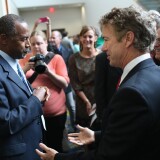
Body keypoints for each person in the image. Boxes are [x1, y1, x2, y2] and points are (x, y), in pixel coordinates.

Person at [36, 6, 160, 160]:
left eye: (107, 39)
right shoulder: (155, 72)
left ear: (128, 38)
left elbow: (106, 156)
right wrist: (96, 135)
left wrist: (58, 157)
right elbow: (134, 131)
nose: (103, 47)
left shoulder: (132, 93)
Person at [0, 14, 50, 160]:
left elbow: (16, 99)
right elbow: (5, 123)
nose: (28, 44)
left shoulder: (14, 62)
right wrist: (35, 99)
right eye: (23, 39)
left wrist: (35, 94)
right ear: (3, 39)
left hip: (31, 145)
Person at [19, 30, 69, 152]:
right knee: (37, 147)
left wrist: (48, 72)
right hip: (33, 115)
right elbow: (15, 83)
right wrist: (25, 68)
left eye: (39, 43)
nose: (36, 46)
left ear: (46, 43)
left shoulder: (56, 58)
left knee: (55, 146)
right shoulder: (24, 59)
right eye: (33, 44)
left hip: (55, 114)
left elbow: (64, 84)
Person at [68, 25, 100, 128]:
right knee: (85, 132)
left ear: (95, 38)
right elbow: (75, 84)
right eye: (84, 36)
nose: (87, 39)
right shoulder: (74, 58)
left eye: (90, 36)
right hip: (83, 100)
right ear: (80, 38)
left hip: (100, 98)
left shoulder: (103, 56)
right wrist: (86, 101)